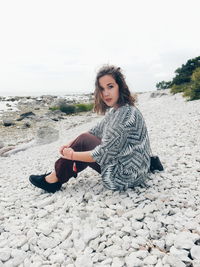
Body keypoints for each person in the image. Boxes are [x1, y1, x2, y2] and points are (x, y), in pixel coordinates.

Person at [29, 65, 151, 193]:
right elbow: (94, 131)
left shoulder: (123, 116)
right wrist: (70, 143)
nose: (106, 93)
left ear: (120, 86)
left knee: (83, 141)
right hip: (140, 168)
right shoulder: (122, 109)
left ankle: (53, 180)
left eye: (110, 86)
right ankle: (58, 174)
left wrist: (72, 155)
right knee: (84, 139)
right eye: (102, 89)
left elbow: (101, 154)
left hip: (125, 177)